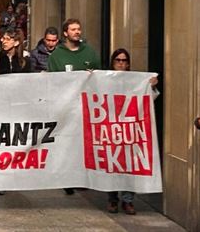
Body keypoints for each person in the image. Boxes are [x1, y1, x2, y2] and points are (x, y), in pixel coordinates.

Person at [48, 18, 100, 196]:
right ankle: (67, 177)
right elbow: (53, 82)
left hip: (86, 107)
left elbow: (100, 77)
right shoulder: (57, 56)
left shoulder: (90, 53)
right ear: (65, 33)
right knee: (66, 142)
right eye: (73, 29)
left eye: (79, 29)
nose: (77, 32)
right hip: (66, 107)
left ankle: (82, 177)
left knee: (83, 142)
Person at [106, 48, 159, 215]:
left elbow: (149, 99)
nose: (121, 63)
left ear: (128, 63)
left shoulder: (136, 80)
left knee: (130, 164)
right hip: (111, 127)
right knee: (112, 165)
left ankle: (127, 200)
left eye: (124, 60)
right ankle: (113, 199)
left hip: (130, 128)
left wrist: (150, 86)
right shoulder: (105, 79)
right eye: (118, 60)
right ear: (113, 63)